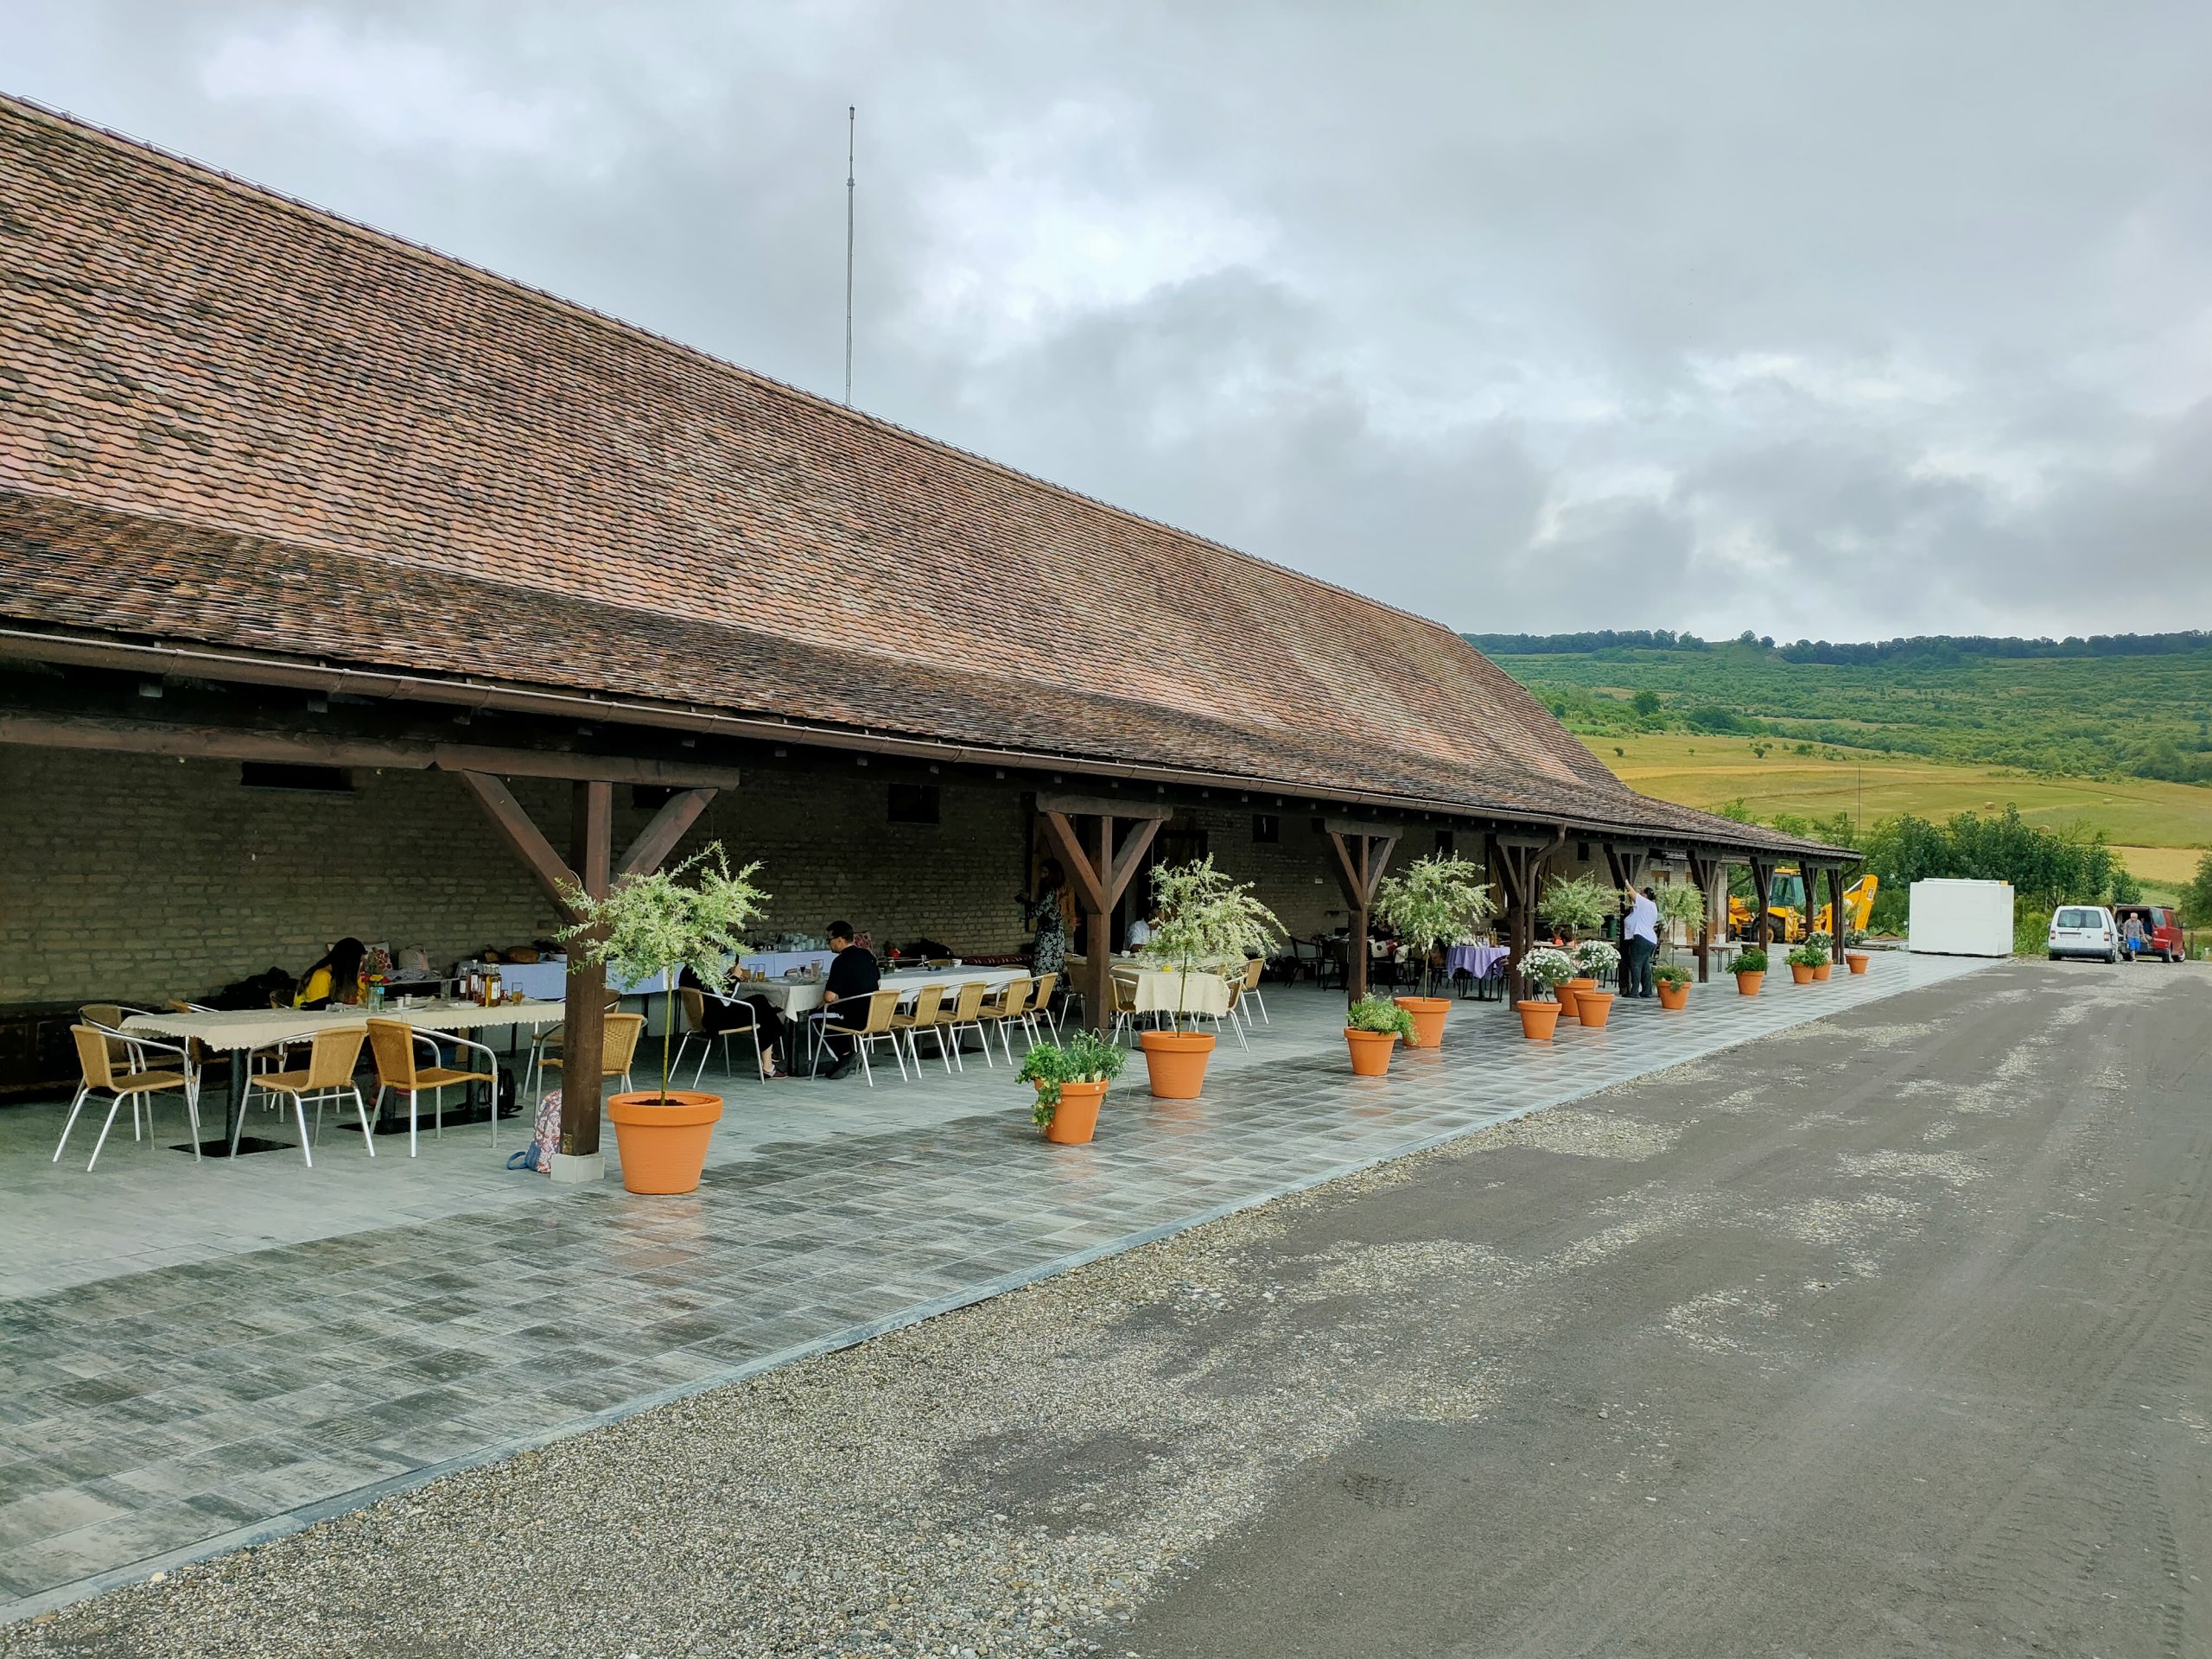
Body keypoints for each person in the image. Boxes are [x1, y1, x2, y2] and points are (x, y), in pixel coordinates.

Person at [680, 963, 786, 1078]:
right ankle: (768, 1064)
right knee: (761, 1006)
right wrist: (735, 977)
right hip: (717, 1020)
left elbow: (715, 992)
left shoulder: (688, 970)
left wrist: (729, 976)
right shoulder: (705, 971)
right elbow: (726, 999)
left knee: (761, 1005)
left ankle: (769, 1057)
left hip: (704, 1019)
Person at [815, 921, 880, 1077]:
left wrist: (826, 1000)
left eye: (828, 940)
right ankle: (847, 1054)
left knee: (816, 1015)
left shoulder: (841, 961)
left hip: (854, 1017)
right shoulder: (868, 955)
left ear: (839, 940)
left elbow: (829, 997)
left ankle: (844, 1054)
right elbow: (877, 982)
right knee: (831, 1012)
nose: (828, 944)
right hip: (875, 1014)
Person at [1021, 861, 1071, 981]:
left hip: (1048, 937)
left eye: (1045, 872)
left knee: (1042, 968)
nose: (1042, 876)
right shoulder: (1059, 890)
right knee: (1053, 968)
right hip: (1056, 935)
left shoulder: (1050, 892)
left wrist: (1025, 901)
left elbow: (1037, 911)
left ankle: (1043, 994)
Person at [293, 938, 367, 1008]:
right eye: (359, 962)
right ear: (350, 964)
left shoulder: (348, 978)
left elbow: (364, 1001)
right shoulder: (321, 976)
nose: (362, 966)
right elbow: (317, 1011)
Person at [1620, 886, 1660, 999]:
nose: (1640, 894)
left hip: (1641, 937)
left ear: (1645, 895)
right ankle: (1647, 990)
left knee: (1635, 964)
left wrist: (1626, 883)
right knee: (1644, 964)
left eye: (1642, 892)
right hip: (1649, 939)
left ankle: (1634, 991)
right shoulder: (1649, 906)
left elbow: (1632, 893)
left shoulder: (1645, 903)